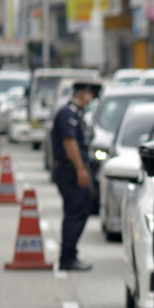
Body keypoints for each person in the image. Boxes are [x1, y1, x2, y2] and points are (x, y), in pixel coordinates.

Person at [50, 81, 101, 271]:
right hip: (68, 170)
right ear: (83, 93)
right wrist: (80, 169)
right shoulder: (67, 113)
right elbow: (69, 142)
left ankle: (70, 254)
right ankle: (67, 257)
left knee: (82, 207)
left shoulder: (77, 114)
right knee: (75, 210)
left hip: (72, 170)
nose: (92, 100)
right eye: (91, 96)